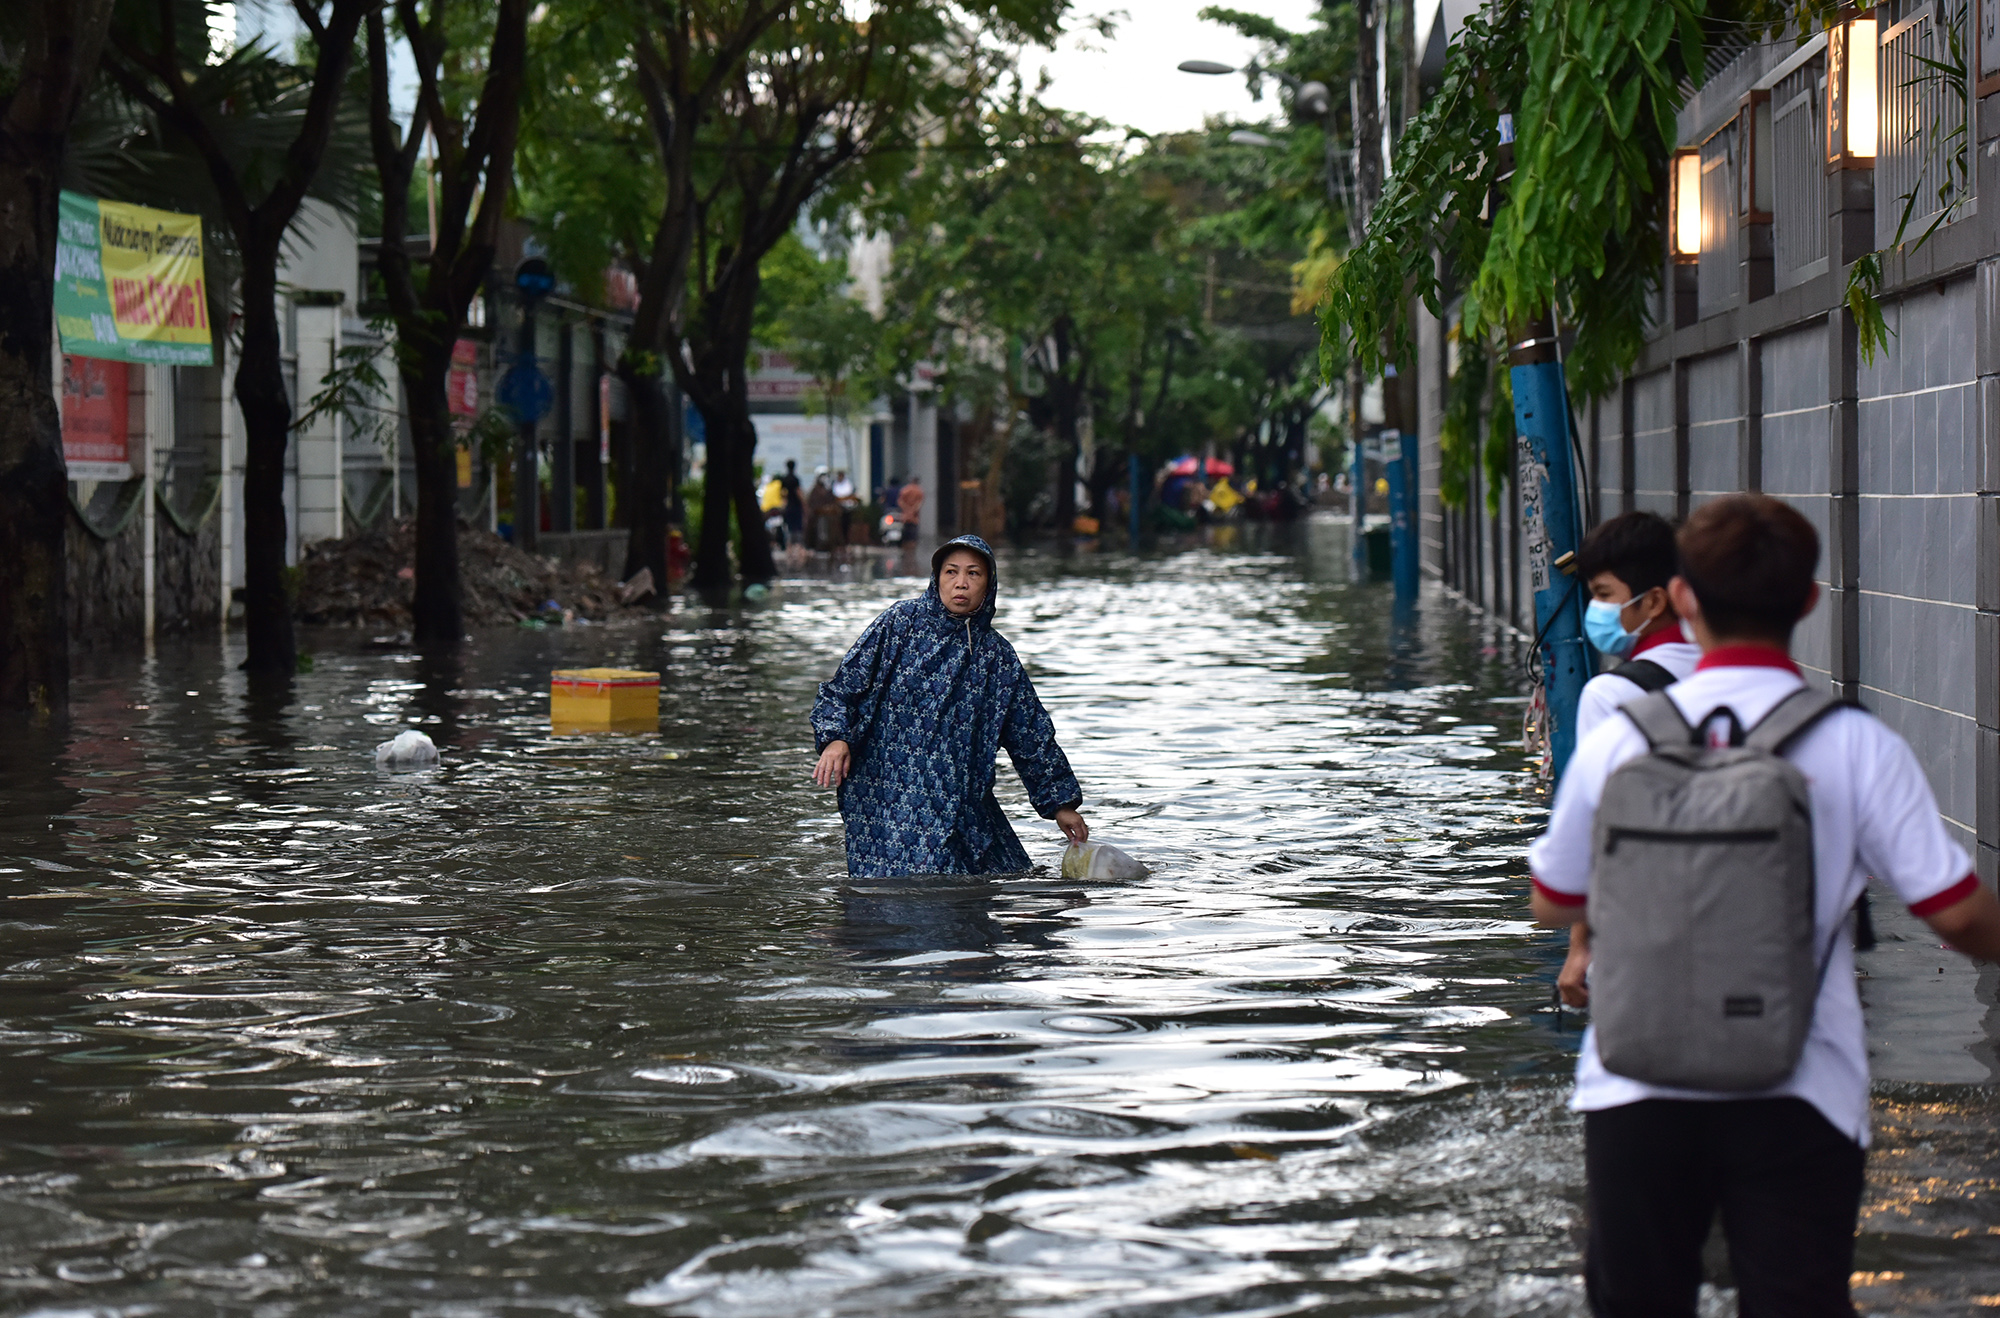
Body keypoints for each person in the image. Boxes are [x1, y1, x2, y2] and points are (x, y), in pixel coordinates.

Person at [1527, 494, 2000, 1318]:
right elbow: (1957, 915)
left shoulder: (1620, 734)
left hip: (1635, 1088)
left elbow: (1553, 895)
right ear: (1809, 601)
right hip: (1801, 1091)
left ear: (1682, 599)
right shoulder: (1855, 743)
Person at [810, 534, 1089, 876]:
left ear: (989, 585)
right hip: (885, 795)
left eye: (974, 574)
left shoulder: (997, 657)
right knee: (899, 898)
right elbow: (842, 689)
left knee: (1003, 878)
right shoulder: (900, 624)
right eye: (951, 572)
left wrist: (1060, 804)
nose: (961, 583)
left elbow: (1030, 735)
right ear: (936, 578)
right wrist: (835, 738)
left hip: (961, 801)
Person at [1558, 511, 1702, 1008]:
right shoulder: (1726, 672)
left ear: (1655, 600)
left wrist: (1581, 946)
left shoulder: (1610, 694)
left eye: (1603, 595)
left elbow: (1601, 829)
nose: (1595, 610)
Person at [780, 460, 805, 548]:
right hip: (796, 506)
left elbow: (783, 493)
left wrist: (784, 503)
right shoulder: (795, 479)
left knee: (789, 527)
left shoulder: (784, 479)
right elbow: (798, 492)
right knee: (798, 527)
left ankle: (789, 546)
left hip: (788, 506)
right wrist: (804, 504)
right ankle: (798, 546)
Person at [897, 474, 924, 538]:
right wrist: (913, 510)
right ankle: (912, 544)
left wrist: (906, 509)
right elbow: (919, 503)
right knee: (913, 532)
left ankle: (905, 543)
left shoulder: (904, 490)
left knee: (905, 531)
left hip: (905, 515)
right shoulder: (919, 491)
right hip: (914, 516)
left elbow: (900, 501)